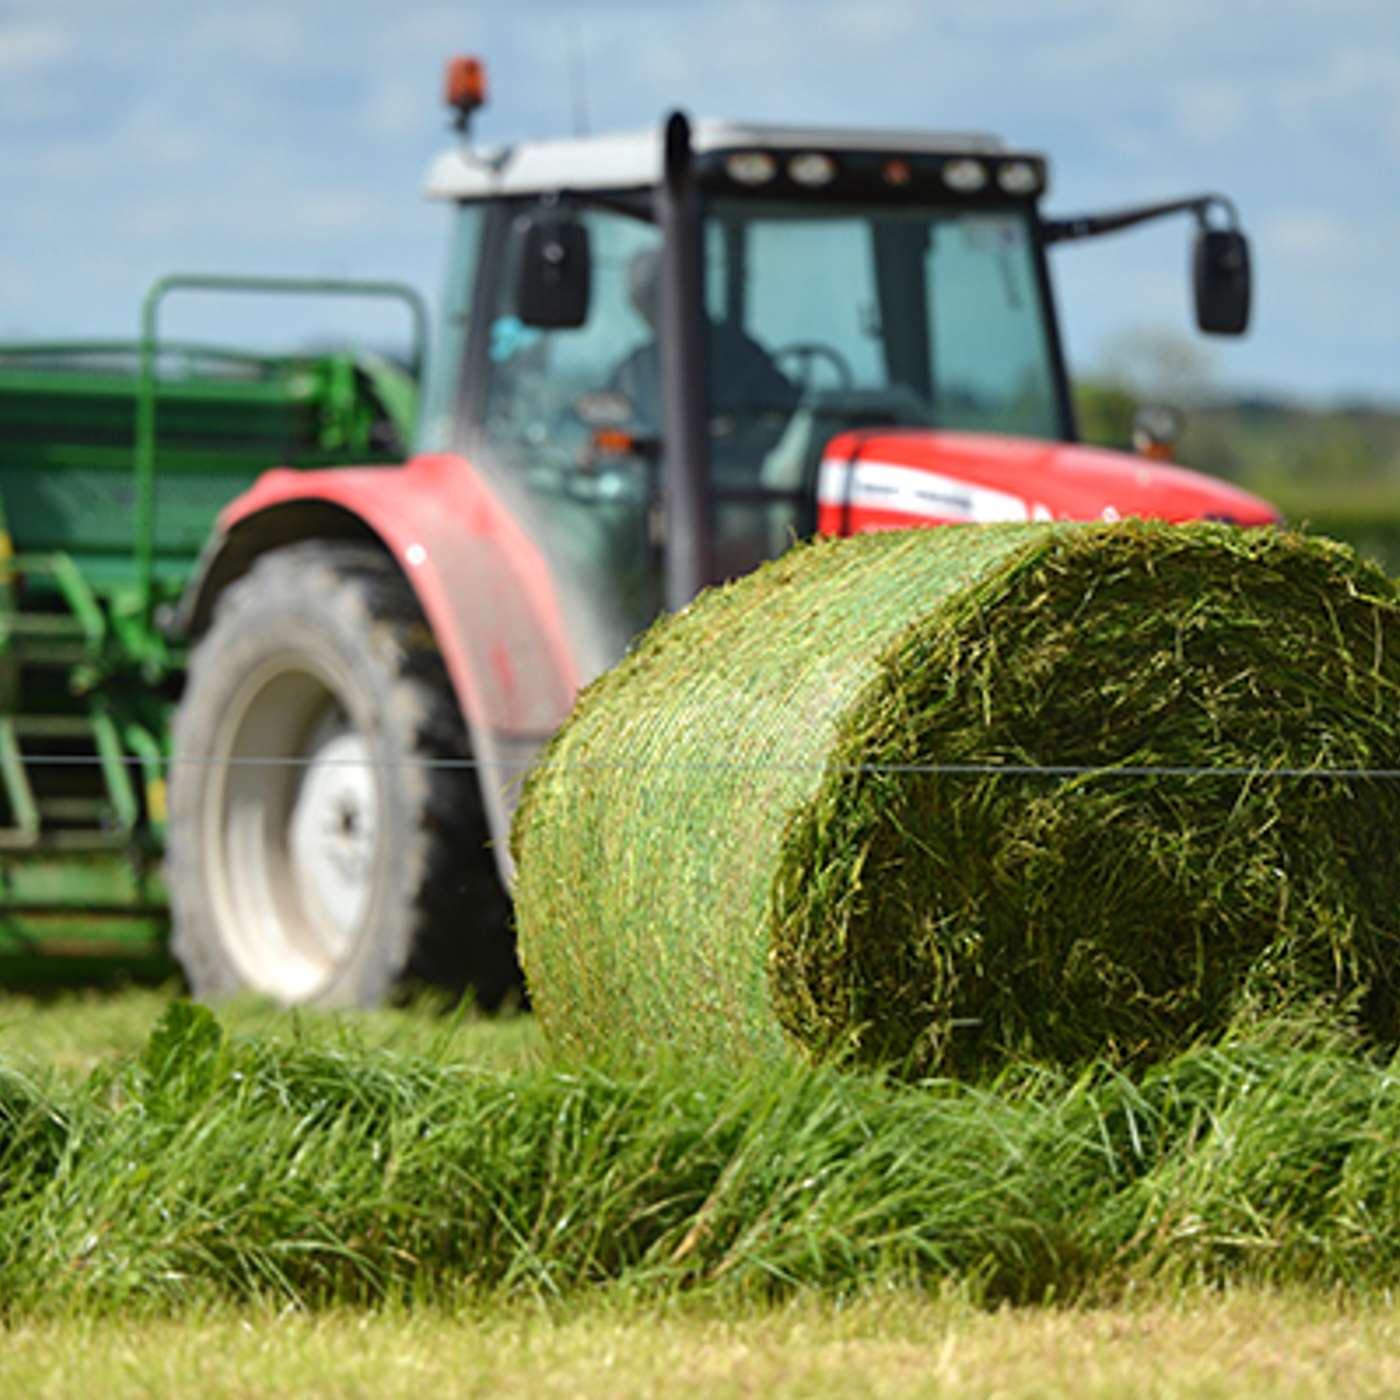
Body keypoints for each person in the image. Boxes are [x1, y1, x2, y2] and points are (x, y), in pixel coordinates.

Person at [609, 249, 799, 458]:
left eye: (653, 296)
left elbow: (784, 420)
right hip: (650, 484)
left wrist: (735, 431)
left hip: (729, 481)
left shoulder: (740, 357)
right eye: (640, 299)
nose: (644, 308)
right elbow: (612, 429)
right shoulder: (633, 370)